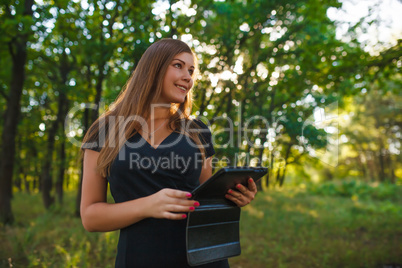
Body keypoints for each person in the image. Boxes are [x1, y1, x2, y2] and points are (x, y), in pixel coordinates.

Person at [80, 38, 257, 268]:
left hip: (202, 260)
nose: (188, 77)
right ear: (153, 68)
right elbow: (90, 217)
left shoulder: (197, 130)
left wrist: (233, 198)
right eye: (178, 66)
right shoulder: (104, 131)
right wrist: (148, 205)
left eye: (191, 70)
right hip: (138, 259)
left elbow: (207, 200)